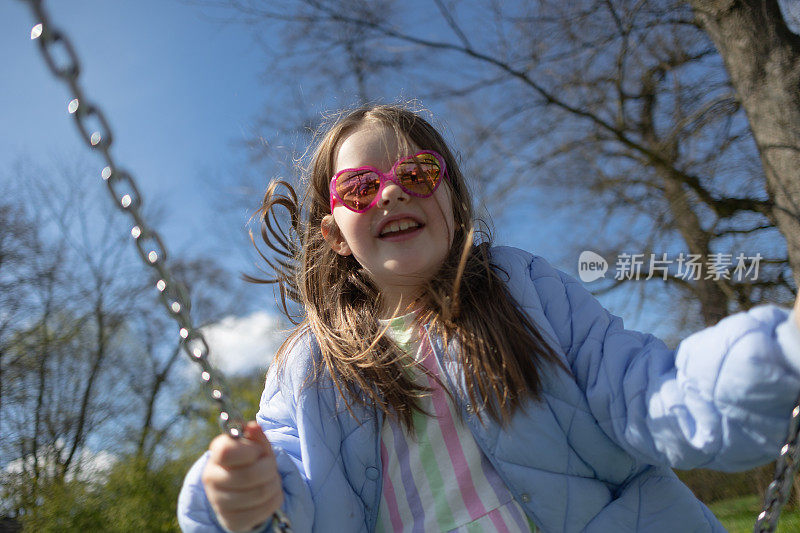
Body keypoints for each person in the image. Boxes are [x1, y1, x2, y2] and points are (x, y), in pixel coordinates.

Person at [178, 104, 800, 533]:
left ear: (452, 199)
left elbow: (649, 389)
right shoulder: (308, 369)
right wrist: (237, 496)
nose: (391, 192)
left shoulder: (522, 289)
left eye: (417, 173)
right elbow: (291, 486)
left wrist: (777, 356)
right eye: (360, 188)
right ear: (334, 233)